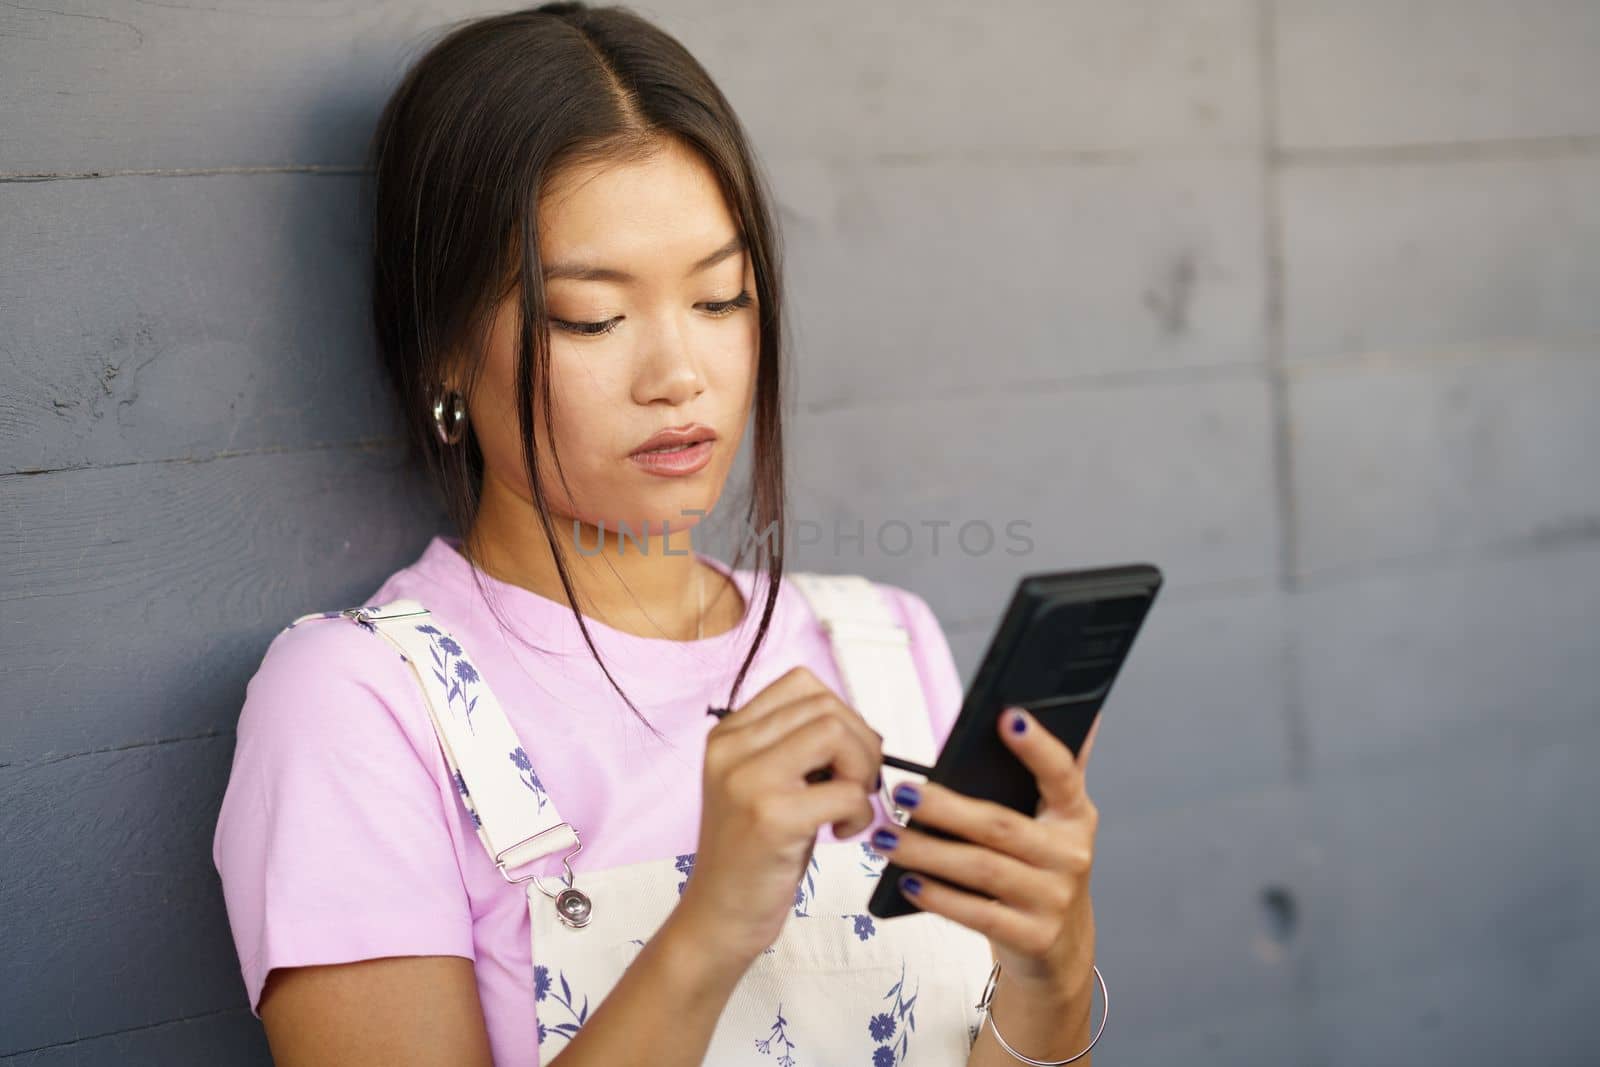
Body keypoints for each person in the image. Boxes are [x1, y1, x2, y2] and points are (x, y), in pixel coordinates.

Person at [211, 3, 1103, 1064]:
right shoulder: (361, 704)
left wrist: (1052, 961)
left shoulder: (884, 644)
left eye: (721, 299)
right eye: (592, 317)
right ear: (443, 349)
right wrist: (714, 923)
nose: (679, 375)